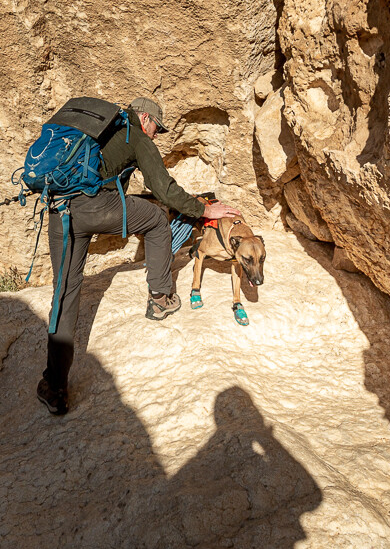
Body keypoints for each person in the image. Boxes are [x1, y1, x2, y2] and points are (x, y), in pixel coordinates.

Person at [37, 97, 240, 416]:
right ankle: (160, 297)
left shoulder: (98, 133)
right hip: (98, 207)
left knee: (65, 291)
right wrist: (203, 209)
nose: (156, 134)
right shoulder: (137, 136)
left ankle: (55, 386)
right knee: (158, 218)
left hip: (59, 209)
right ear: (144, 117)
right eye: (156, 127)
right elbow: (162, 188)